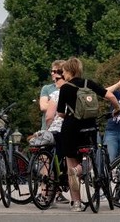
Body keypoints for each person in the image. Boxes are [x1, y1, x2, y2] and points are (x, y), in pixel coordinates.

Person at [56, 57, 120, 211]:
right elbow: (110, 95)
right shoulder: (89, 84)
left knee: (71, 164)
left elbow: (60, 113)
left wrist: (70, 114)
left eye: (63, 71)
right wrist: (117, 108)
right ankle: (82, 168)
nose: (63, 74)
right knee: (90, 157)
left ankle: (76, 203)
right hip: (89, 128)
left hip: (71, 128)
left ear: (69, 71)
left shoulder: (65, 88)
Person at [43, 60, 70, 204]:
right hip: (70, 130)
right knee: (69, 160)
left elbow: (48, 115)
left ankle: (47, 194)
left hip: (55, 130)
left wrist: (48, 127)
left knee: (51, 161)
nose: (55, 79)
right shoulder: (75, 91)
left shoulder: (56, 94)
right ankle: (75, 199)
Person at [39, 63, 61, 131]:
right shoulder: (46, 88)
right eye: (51, 71)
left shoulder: (69, 88)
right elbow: (43, 107)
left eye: (54, 71)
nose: (52, 73)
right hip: (47, 129)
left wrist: (51, 103)